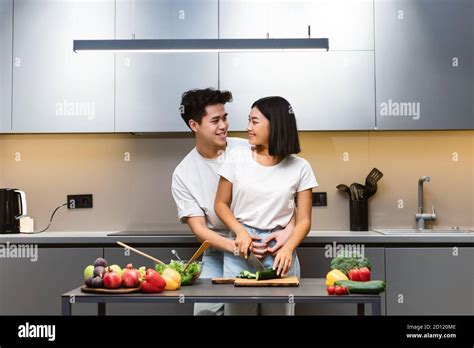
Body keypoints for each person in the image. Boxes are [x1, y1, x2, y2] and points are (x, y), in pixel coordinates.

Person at [171, 89, 295, 316]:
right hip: (218, 250)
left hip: (265, 244)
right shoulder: (183, 173)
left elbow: (284, 197)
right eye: (215, 120)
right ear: (194, 125)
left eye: (225, 118)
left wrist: (289, 231)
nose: (223, 126)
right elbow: (199, 230)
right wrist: (238, 246)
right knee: (205, 312)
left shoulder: (248, 148)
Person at [214, 96, 318, 315]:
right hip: (242, 252)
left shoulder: (301, 167)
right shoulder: (236, 157)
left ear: (275, 124)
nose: (248, 127)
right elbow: (221, 204)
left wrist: (289, 247)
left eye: (254, 121)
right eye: (248, 121)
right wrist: (240, 233)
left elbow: (305, 220)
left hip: (280, 252)